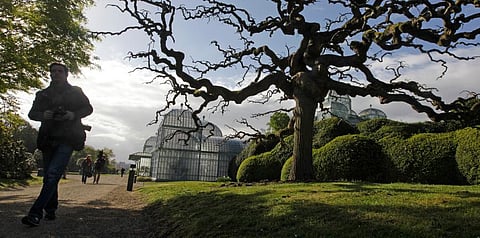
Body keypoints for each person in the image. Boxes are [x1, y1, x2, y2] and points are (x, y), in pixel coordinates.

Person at [21, 62, 93, 227]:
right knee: (49, 177)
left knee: (53, 175)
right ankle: (51, 210)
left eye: (60, 71)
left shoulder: (76, 91)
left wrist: (73, 114)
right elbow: (32, 114)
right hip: (48, 138)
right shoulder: (42, 94)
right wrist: (43, 115)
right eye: (53, 71)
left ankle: (35, 213)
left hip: (67, 138)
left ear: (66, 74)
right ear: (50, 74)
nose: (56, 73)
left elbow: (88, 108)